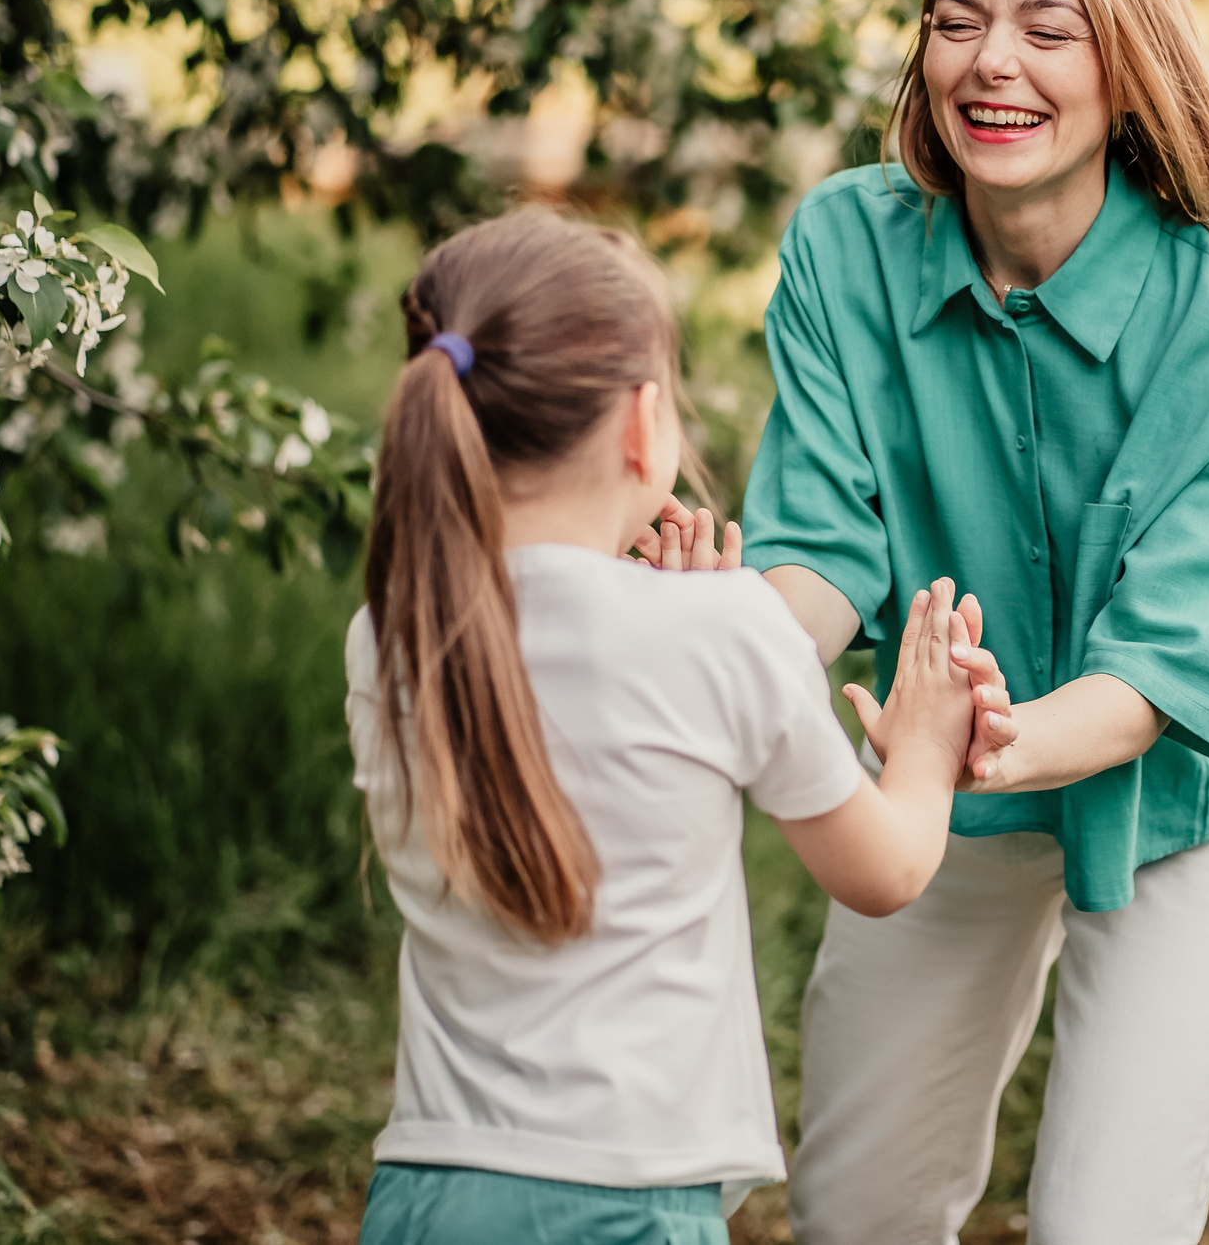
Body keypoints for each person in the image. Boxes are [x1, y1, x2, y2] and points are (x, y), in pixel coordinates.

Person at [741, 0, 1209, 1244]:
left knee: (1102, 1227)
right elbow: (820, 548)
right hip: (944, 794)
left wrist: (981, 734)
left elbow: (1168, 663)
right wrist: (722, 657)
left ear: (1129, 61)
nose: (993, 61)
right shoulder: (844, 248)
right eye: (957, 18)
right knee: (856, 1209)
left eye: (1048, 27)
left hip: (1171, 805)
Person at [346, 210, 998, 1245]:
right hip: (628, 1202)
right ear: (644, 426)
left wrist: (693, 628)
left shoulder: (389, 629)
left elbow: (559, 681)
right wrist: (922, 747)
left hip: (427, 1186)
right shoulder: (722, 632)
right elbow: (885, 874)